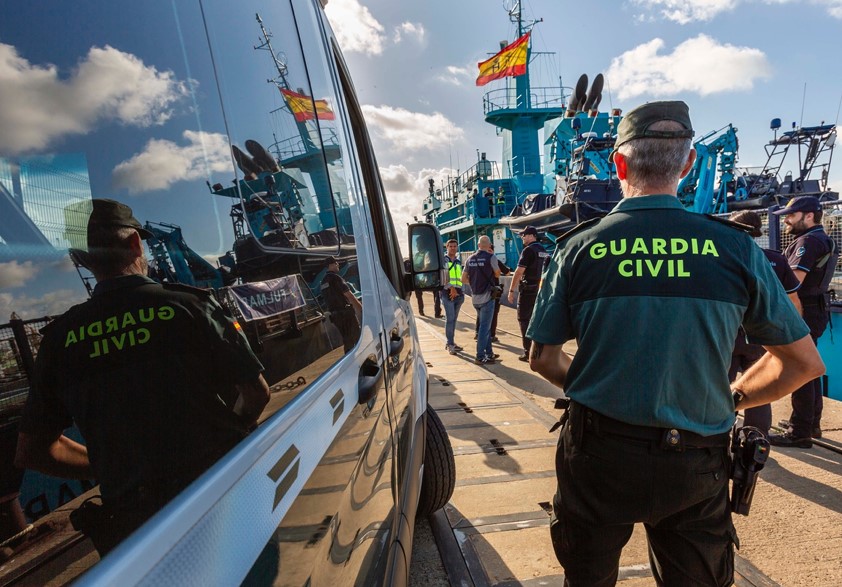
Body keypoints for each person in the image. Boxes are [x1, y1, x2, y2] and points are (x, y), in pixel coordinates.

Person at [527, 101, 824, 586]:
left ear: (618, 164)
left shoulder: (577, 247)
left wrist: (599, 387)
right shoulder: (735, 247)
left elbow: (542, 357)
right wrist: (731, 398)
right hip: (696, 460)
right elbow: (803, 363)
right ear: (687, 166)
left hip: (599, 456)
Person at [15, 199, 270, 555]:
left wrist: (115, 464)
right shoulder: (191, 305)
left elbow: (35, 450)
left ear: (81, 259)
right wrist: (229, 437)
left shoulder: (59, 340)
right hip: (217, 499)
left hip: (136, 532)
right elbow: (257, 393)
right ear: (136, 244)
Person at [769, 195, 837, 448]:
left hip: (803, 310)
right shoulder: (823, 238)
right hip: (816, 309)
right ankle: (811, 424)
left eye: (791, 215)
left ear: (809, 215)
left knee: (800, 367)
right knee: (809, 365)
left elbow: (793, 282)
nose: (786, 220)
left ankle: (800, 432)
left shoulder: (808, 241)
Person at [728, 210, 802, 436]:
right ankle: (755, 441)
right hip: (763, 334)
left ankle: (717, 436)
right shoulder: (776, 260)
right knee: (758, 389)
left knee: (720, 388)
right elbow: (793, 301)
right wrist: (792, 336)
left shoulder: (723, 258)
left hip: (729, 333)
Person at [507, 225, 549, 361]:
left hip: (528, 291)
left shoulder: (528, 251)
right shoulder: (544, 251)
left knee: (524, 319)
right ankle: (540, 350)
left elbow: (519, 272)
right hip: (541, 291)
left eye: (524, 235)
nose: (522, 237)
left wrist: (511, 290)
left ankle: (528, 352)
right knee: (539, 320)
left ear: (531, 235)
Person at [462, 236, 500, 365]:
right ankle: (480, 356)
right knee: (484, 328)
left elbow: (463, 279)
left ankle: (489, 354)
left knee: (485, 327)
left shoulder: (469, 259)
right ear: (489, 245)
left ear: (478, 245)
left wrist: (474, 283)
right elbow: (497, 274)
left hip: (475, 298)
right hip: (487, 297)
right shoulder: (491, 257)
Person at [322, 256, 363, 352]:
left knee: (347, 340)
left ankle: (349, 361)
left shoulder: (323, 282)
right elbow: (349, 295)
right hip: (346, 314)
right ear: (331, 265)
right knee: (357, 337)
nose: (338, 265)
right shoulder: (336, 278)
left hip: (335, 317)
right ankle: (361, 361)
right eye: (336, 263)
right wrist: (361, 308)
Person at [475, 244, 511, 342]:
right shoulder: (495, 261)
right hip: (493, 292)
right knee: (494, 313)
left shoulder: (476, 261)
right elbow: (507, 272)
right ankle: (491, 335)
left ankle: (478, 334)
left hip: (480, 291)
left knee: (480, 314)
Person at [440, 239, 464, 355]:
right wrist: (451, 288)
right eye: (451, 246)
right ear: (447, 247)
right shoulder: (444, 260)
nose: (453, 248)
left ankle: (452, 342)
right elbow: (442, 277)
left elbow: (460, 277)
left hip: (459, 294)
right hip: (447, 293)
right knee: (450, 319)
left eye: (455, 246)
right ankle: (449, 344)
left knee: (454, 320)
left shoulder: (459, 261)